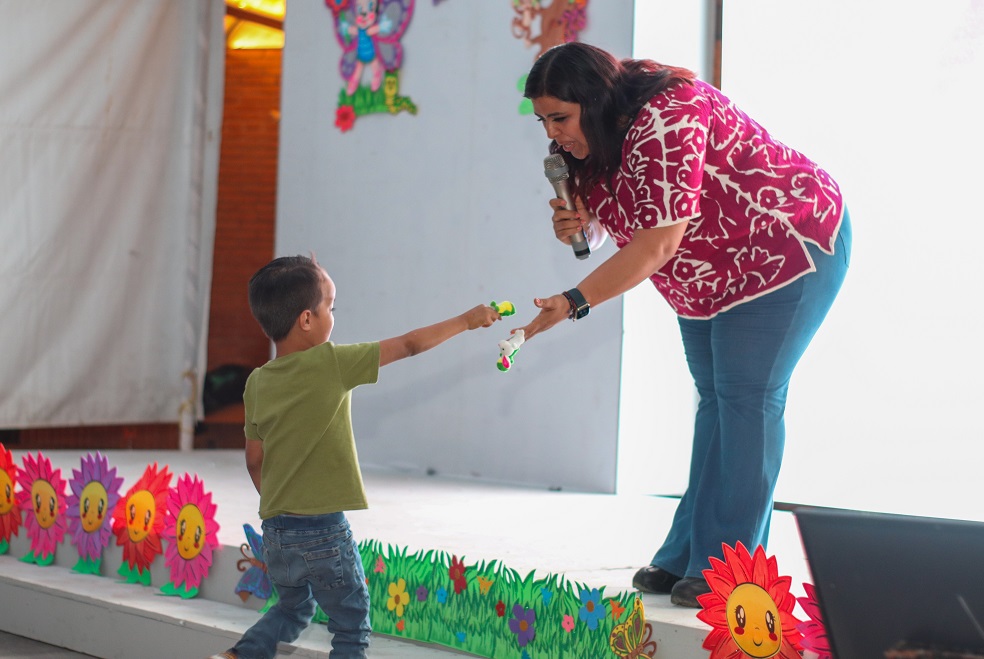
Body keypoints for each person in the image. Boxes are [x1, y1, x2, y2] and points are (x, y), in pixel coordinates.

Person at [516, 42, 851, 608]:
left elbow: (655, 243)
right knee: (715, 400)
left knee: (747, 398)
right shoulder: (592, 137)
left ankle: (733, 568)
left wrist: (574, 299)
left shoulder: (671, 115)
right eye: (544, 119)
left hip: (786, 248)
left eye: (560, 117)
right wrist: (586, 223)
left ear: (595, 101)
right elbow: (630, 213)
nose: (552, 133)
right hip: (707, 272)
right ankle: (690, 554)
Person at [209, 255, 501, 659]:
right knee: (351, 625)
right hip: (323, 531)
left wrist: (278, 505)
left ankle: (240, 655)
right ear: (307, 319)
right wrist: (467, 320)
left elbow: (254, 459)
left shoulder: (257, 382)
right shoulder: (333, 363)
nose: (335, 315)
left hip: (277, 532)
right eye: (332, 306)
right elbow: (410, 344)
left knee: (294, 608)